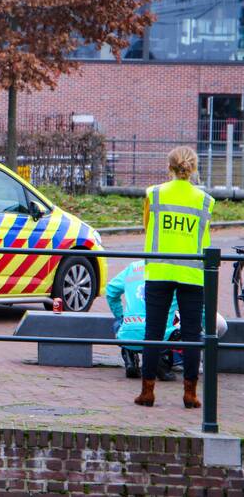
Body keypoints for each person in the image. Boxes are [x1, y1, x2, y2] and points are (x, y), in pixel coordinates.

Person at [134, 146, 212, 408]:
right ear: (193, 168)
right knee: (192, 334)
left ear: (169, 167)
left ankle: (147, 392)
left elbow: (146, 226)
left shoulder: (154, 194)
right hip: (192, 273)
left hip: (159, 270)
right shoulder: (204, 200)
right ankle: (190, 394)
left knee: (153, 331)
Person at [106, 260, 178, 381]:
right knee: (178, 325)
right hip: (159, 333)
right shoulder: (174, 269)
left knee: (119, 324)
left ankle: (130, 359)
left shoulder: (133, 267)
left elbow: (111, 291)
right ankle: (162, 361)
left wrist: (121, 316)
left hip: (129, 331)